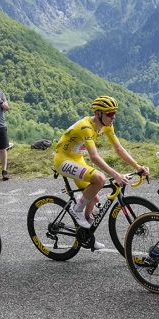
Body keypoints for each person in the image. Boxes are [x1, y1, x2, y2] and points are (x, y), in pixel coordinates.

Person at [54, 96, 150, 248]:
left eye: (114, 113)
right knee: (99, 179)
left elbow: (118, 149)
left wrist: (137, 167)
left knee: (94, 199)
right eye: (110, 114)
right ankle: (76, 209)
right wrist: (116, 174)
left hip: (77, 158)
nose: (114, 117)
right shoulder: (85, 127)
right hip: (63, 159)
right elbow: (94, 157)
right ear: (99, 114)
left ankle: (87, 236)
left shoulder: (106, 126)